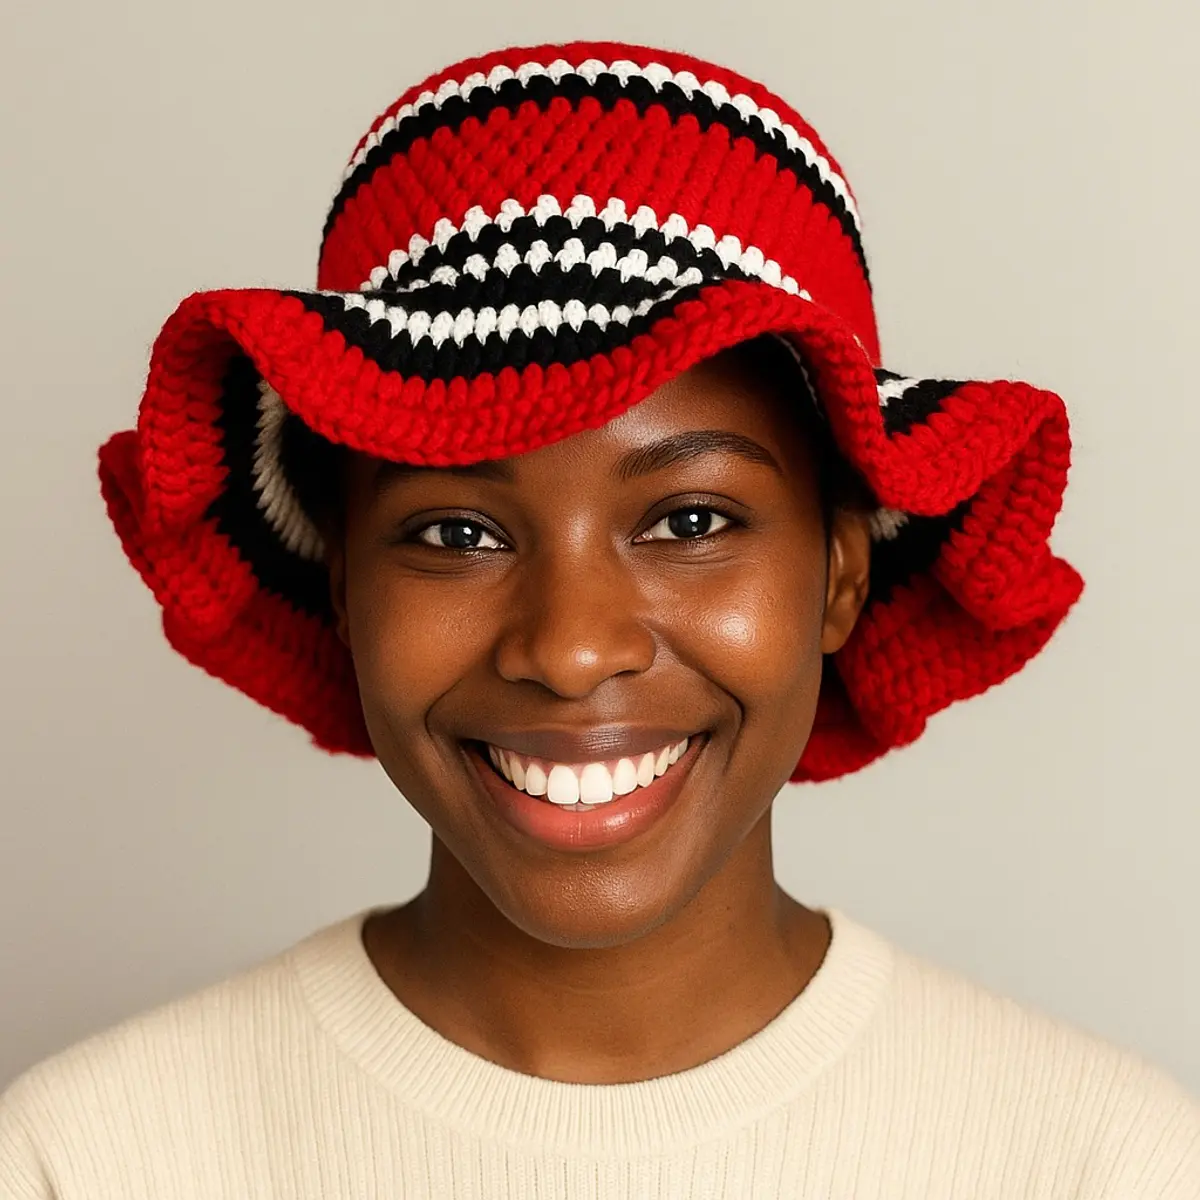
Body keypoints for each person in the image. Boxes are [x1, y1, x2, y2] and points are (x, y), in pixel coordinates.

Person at [1, 39, 1196, 1199]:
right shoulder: (85, 1163)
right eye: (456, 533)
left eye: (690, 521)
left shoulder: (1103, 1167)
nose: (571, 652)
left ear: (840, 574)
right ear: (343, 587)